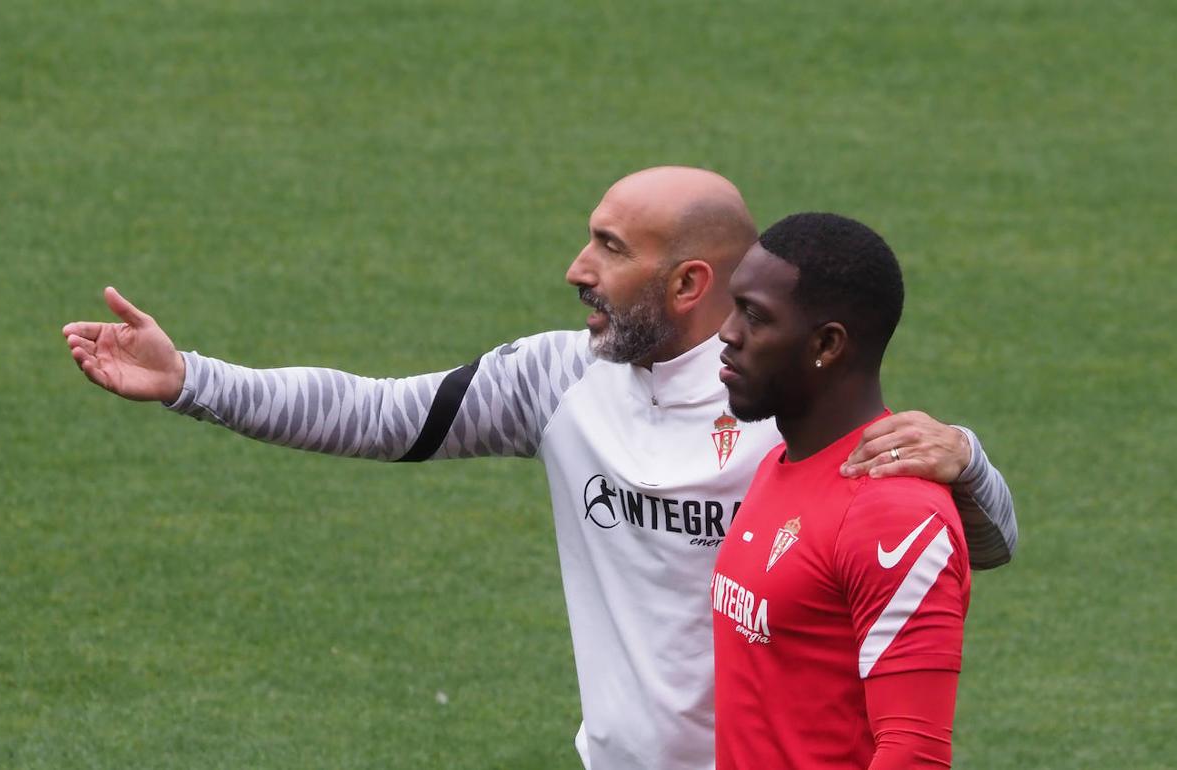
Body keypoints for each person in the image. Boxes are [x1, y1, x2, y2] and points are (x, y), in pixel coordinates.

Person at [62, 167, 1016, 770]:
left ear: (689, 283)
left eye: (610, 247)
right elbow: (381, 413)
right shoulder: (560, 378)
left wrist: (968, 463)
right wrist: (193, 380)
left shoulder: (778, 405)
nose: (576, 268)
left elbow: (940, 543)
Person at [712, 212, 977, 768]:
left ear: (828, 344)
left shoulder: (894, 515)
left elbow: (915, 755)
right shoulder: (778, 464)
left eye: (755, 316)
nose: (727, 332)